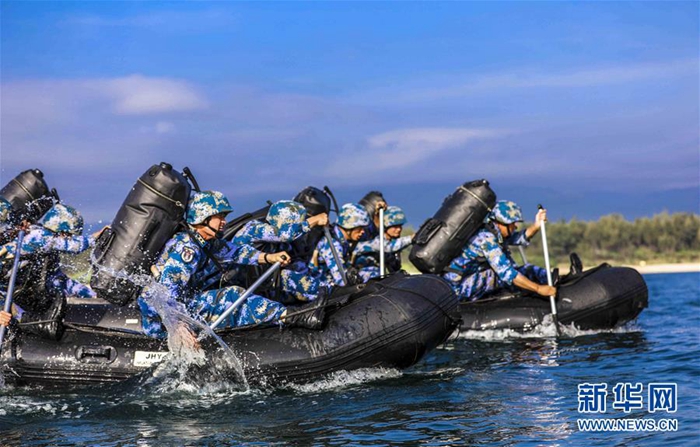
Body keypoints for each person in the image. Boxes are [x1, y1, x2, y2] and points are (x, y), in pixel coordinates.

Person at [138, 191, 328, 341]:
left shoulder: (207, 243)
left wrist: (269, 257)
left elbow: (237, 253)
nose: (224, 222)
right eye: (219, 217)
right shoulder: (187, 249)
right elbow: (163, 293)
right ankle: (296, 316)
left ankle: (287, 315)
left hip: (183, 307)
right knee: (232, 295)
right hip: (164, 318)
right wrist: (178, 326)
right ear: (204, 217)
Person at [0, 203, 105, 339]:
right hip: (2, 293)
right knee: (12, 314)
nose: (68, 238)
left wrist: (93, 295)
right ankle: (32, 325)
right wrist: (96, 237)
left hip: (12, 292)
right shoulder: (37, 236)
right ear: (60, 230)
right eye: (68, 235)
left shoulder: (47, 252)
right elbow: (75, 246)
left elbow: (60, 281)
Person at [443, 200, 557, 301]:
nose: (515, 227)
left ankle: (553, 280)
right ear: (501, 223)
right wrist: (538, 289)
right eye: (512, 224)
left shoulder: (495, 233)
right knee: (496, 275)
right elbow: (508, 274)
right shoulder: (486, 240)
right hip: (456, 290)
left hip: (469, 280)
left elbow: (519, 238)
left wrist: (536, 225)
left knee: (526, 269)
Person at [232, 200, 329, 303]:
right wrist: (313, 220)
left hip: (261, 286)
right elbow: (285, 235)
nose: (297, 227)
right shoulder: (254, 228)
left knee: (293, 273)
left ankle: (329, 292)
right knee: (287, 277)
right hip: (237, 292)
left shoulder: (276, 242)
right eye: (295, 224)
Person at [311, 203, 370, 288]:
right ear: (350, 225)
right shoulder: (332, 243)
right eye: (360, 228)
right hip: (321, 286)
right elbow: (341, 279)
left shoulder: (341, 239)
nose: (362, 231)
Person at [352, 205, 413, 282]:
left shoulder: (392, 245)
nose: (398, 229)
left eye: (400, 226)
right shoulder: (376, 241)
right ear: (385, 226)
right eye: (394, 226)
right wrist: (411, 238)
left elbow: (393, 268)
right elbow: (388, 247)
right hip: (362, 277)